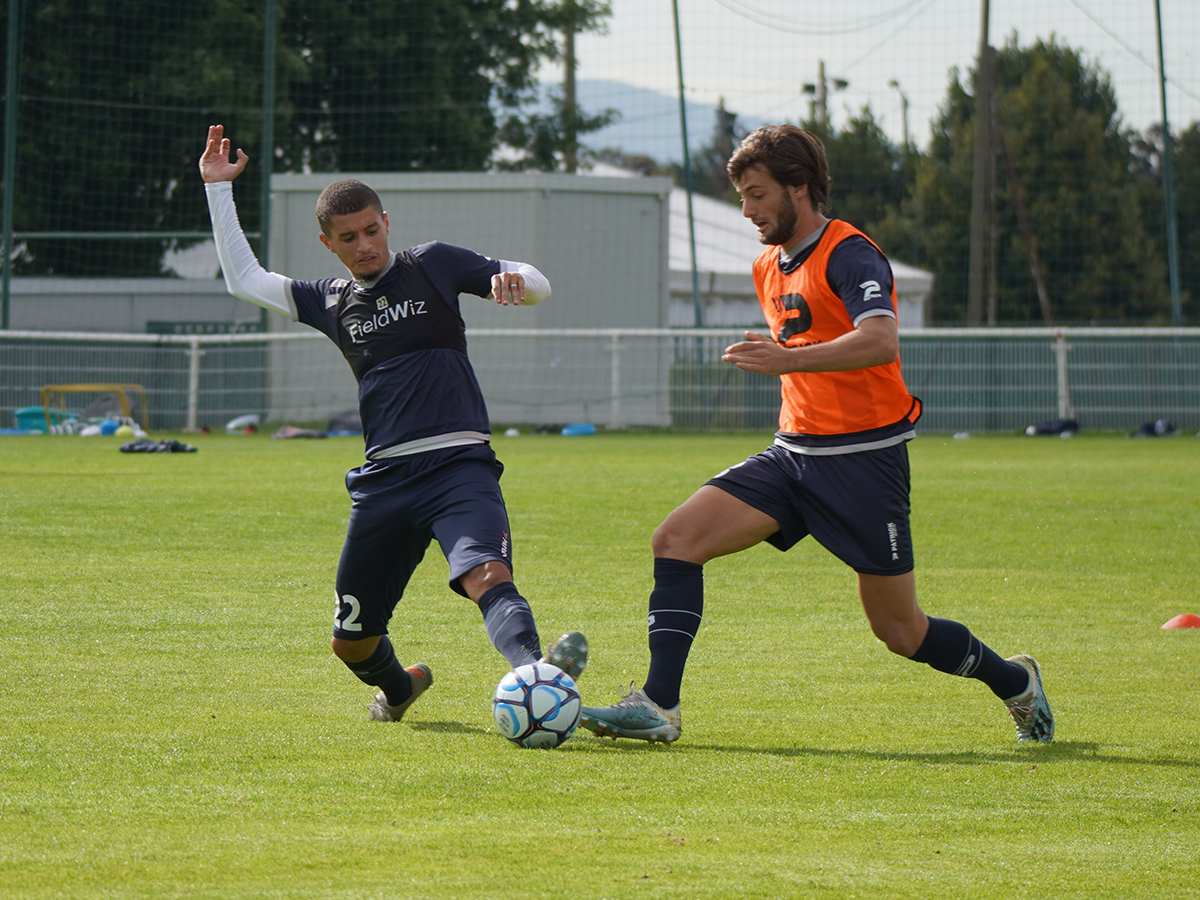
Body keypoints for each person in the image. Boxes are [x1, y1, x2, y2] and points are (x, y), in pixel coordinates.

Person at [579, 124, 1053, 746]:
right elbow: (802, 344)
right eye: (743, 198)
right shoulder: (766, 264)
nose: (747, 211)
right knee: (676, 539)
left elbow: (880, 340)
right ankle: (658, 705)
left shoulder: (849, 252)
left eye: (757, 195)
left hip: (862, 462)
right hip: (792, 455)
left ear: (799, 187)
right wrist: (783, 354)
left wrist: (788, 359)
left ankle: (1015, 682)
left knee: (901, 632)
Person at [198, 124, 586, 722]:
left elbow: (537, 281)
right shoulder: (330, 302)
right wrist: (218, 190)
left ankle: (534, 675)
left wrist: (519, 284)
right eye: (348, 237)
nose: (365, 245)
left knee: (487, 572)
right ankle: (401, 690)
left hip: (459, 466)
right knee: (350, 640)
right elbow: (243, 281)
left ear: (387, 221)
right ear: (328, 244)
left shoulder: (431, 265)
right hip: (385, 482)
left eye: (372, 230)